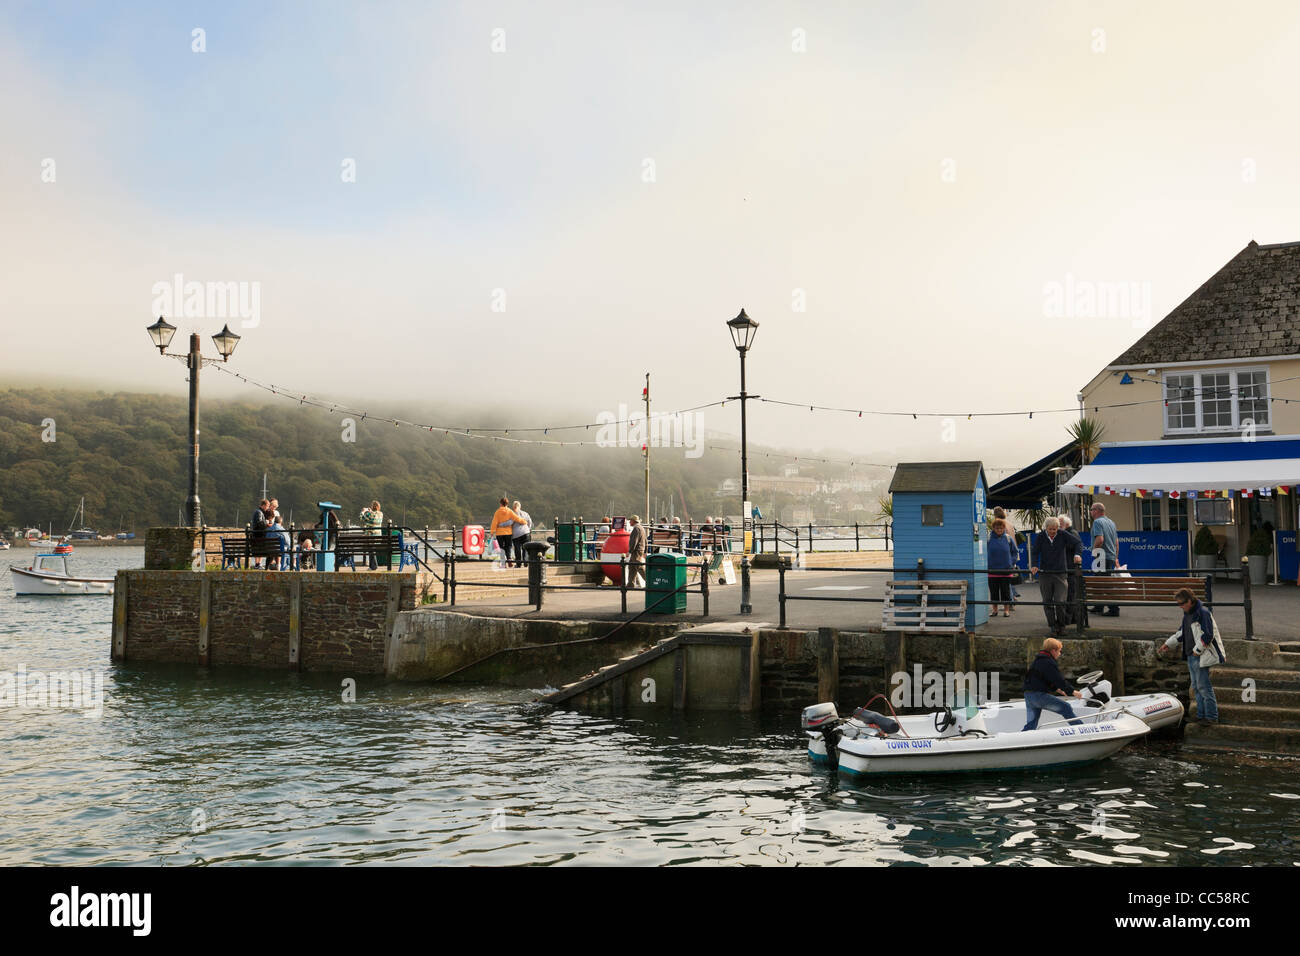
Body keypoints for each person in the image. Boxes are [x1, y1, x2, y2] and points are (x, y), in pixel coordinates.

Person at [1158, 588, 1225, 725]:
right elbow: (1182, 633)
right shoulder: (1187, 614)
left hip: (1198, 656)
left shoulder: (1203, 613)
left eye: (1181, 603)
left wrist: (1197, 651)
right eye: (1178, 604)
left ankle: (1211, 717)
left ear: (1189, 601)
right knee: (1196, 686)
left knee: (1204, 687)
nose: (1180, 606)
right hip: (1191, 655)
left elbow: (1208, 634)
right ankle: (1201, 716)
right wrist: (1168, 644)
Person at [1030, 516, 1083, 637]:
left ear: (1058, 528)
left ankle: (1062, 625)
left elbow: (1078, 543)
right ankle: (1052, 626)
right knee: (1047, 601)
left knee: (1060, 601)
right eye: (1050, 529)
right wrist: (1034, 565)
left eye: (1055, 529)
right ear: (1046, 528)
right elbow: (1035, 552)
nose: (1053, 532)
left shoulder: (1062, 534)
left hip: (1060, 573)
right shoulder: (1041, 536)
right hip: (1045, 573)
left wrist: (1077, 554)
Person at [1022, 638, 1084, 730]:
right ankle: (1082, 729)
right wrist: (1073, 691)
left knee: (1031, 724)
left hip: (1028, 695)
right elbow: (1059, 680)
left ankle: (1023, 739)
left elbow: (1041, 678)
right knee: (1065, 707)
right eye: (1059, 651)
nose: (1060, 653)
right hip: (1038, 696)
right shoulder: (1048, 662)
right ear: (1053, 650)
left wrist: (1057, 689)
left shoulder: (1038, 660)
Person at [1089, 501, 1121, 617]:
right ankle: (1099, 606)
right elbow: (1116, 542)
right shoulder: (1111, 522)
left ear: (1097, 510)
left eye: (1092, 510)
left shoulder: (1097, 522)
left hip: (1101, 556)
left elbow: (1100, 539)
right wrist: (1116, 557)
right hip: (1110, 556)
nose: (1091, 512)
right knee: (1100, 583)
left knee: (1104, 584)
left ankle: (1114, 609)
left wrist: (1094, 551)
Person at [987, 518, 1018, 616]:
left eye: (1001, 528)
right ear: (993, 528)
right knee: (994, 592)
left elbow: (1015, 552)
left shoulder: (1008, 538)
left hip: (1006, 570)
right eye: (997, 528)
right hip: (992, 570)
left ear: (1004, 528)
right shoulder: (988, 538)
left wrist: (1011, 563)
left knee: (1006, 592)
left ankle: (1006, 610)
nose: (999, 530)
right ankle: (994, 610)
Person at [1058, 514, 1084, 625]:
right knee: (1070, 593)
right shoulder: (1071, 532)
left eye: (1059, 524)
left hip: (1070, 568)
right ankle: (1071, 618)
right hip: (1070, 567)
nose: (1058, 526)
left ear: (1066, 524)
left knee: (1070, 594)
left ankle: (1068, 619)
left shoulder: (1070, 533)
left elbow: (1077, 546)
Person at [489, 498, 524, 569]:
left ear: (500, 503)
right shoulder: (510, 511)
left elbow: (494, 522)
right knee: (508, 547)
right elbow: (516, 518)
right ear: (507, 504)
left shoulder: (497, 512)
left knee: (501, 548)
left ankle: (503, 564)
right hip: (508, 533)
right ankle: (509, 559)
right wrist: (523, 522)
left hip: (499, 533)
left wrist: (492, 531)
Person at [361, 500, 384, 570]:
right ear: (378, 507)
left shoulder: (369, 514)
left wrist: (363, 511)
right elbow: (374, 517)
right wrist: (370, 511)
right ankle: (372, 566)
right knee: (372, 550)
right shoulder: (381, 514)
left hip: (370, 536)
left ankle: (373, 566)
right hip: (378, 537)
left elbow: (361, 518)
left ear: (372, 506)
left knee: (370, 550)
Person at [627, 514, 647, 588]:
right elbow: (645, 540)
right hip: (640, 549)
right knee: (632, 567)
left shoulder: (636, 529)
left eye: (630, 521)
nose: (629, 522)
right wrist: (645, 551)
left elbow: (633, 541)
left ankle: (650, 582)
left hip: (636, 551)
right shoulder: (641, 528)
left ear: (633, 521)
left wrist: (629, 551)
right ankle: (630, 584)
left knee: (639, 567)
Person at [510, 500, 532, 568]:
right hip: (526, 532)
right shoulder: (525, 513)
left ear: (513, 507)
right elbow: (530, 522)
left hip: (516, 534)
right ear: (520, 506)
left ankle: (519, 564)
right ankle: (526, 562)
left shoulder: (512, 514)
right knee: (526, 548)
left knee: (517, 549)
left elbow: (510, 524)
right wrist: (527, 529)